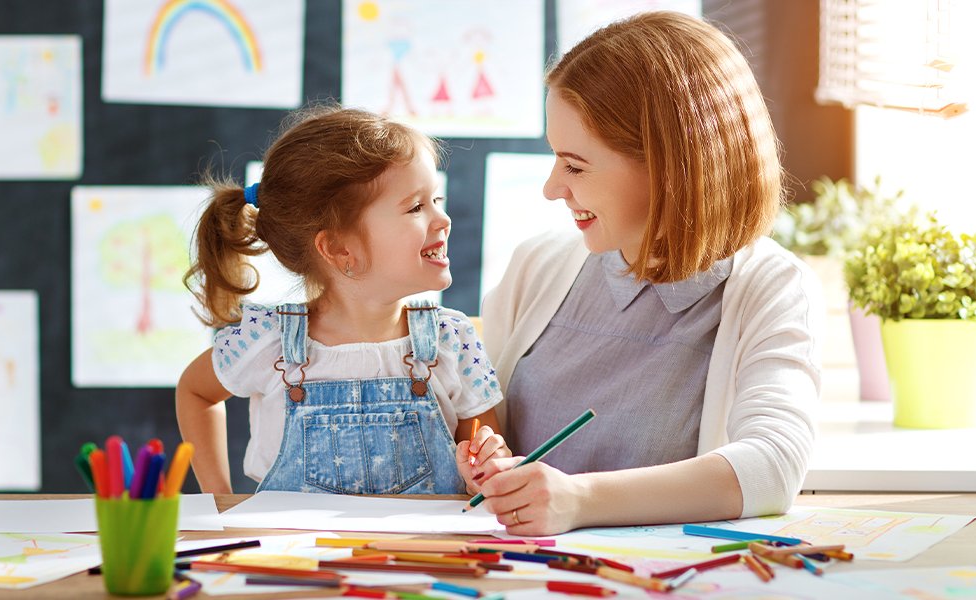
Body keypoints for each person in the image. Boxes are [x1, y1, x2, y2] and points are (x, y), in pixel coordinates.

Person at [468, 11, 823, 535]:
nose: (551, 188)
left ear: (670, 166)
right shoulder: (538, 266)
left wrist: (580, 500)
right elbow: (479, 416)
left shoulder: (768, 286)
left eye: (575, 165)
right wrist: (485, 459)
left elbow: (772, 468)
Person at [175, 105, 509, 495]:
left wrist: (487, 472)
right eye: (416, 207)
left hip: (419, 554)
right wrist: (220, 498)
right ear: (337, 248)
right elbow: (195, 391)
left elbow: (486, 472)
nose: (443, 219)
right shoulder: (265, 342)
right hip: (292, 554)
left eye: (437, 199)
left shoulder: (452, 341)